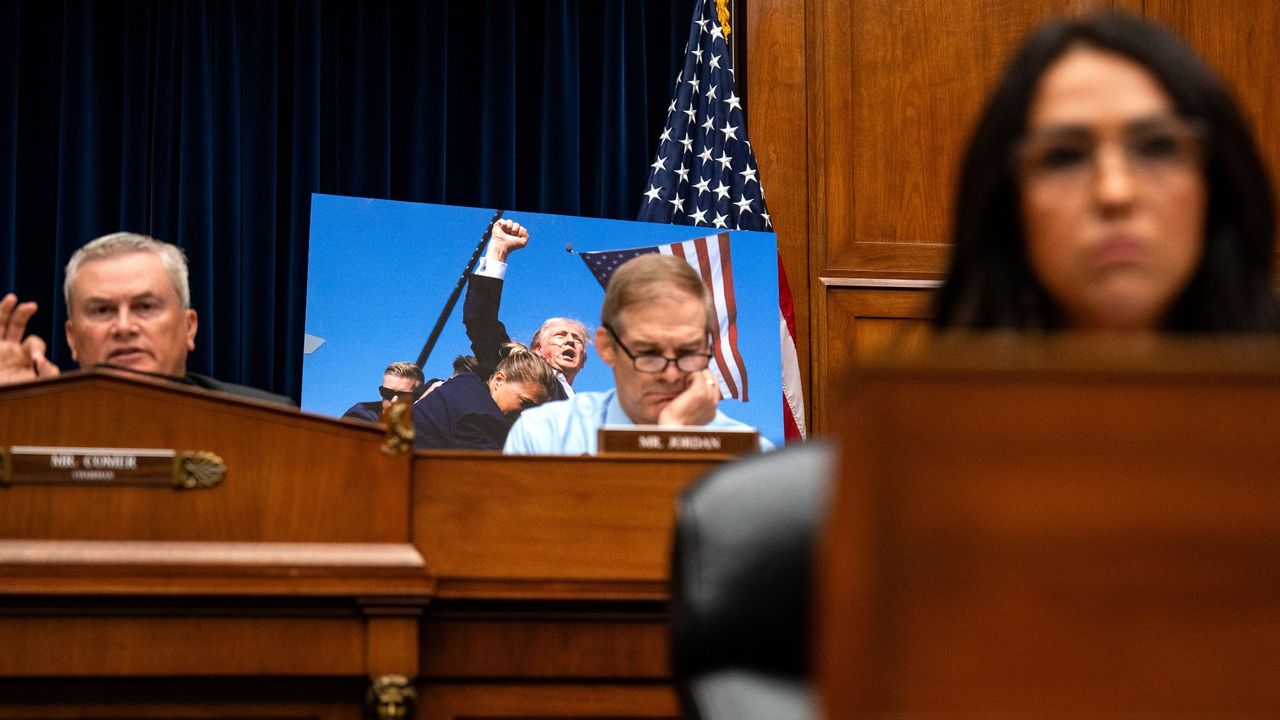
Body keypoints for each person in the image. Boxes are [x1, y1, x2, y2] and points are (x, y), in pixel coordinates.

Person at [932, 12, 1280, 333]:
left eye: (1158, 147)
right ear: (1009, 204)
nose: (1115, 192)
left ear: (1216, 184)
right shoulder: (924, 400)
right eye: (1064, 157)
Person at [504, 253, 772, 455]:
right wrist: (667, 442)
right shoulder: (543, 435)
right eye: (649, 353)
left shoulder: (752, 456)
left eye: (689, 352)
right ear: (608, 348)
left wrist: (675, 438)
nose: (671, 373)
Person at [0, 232, 293, 404]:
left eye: (145, 307)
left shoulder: (267, 422)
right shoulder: (38, 414)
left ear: (189, 327)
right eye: (102, 310)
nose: (124, 327)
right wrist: (17, 414)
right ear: (72, 338)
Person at [464, 218, 588, 400]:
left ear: (583, 360)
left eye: (577, 340)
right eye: (560, 335)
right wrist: (499, 250)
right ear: (537, 349)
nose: (570, 341)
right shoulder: (519, 369)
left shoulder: (585, 407)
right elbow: (482, 323)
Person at [413, 344, 559, 450]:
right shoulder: (481, 416)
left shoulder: (466, 383)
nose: (525, 414)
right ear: (499, 380)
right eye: (525, 403)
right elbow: (490, 477)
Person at [342, 361, 425, 422]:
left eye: (403, 395)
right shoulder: (360, 417)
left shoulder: (426, 422)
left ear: (419, 398)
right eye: (388, 393)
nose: (394, 400)